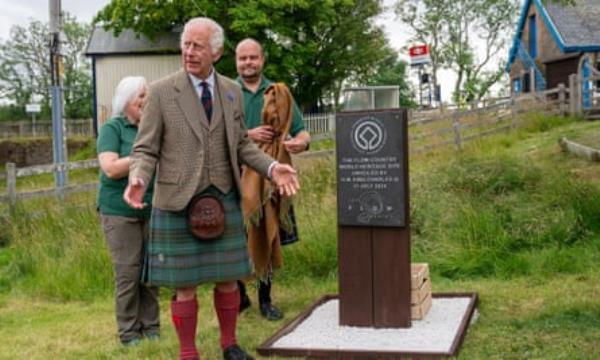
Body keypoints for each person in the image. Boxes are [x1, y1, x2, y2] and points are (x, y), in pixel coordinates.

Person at [123, 17, 300, 360]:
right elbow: (145, 149)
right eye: (186, 44)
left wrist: (273, 166)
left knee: (229, 279)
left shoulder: (231, 91)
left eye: (197, 46)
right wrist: (139, 178)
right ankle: (188, 353)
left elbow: (242, 146)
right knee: (185, 286)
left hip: (223, 195)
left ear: (216, 52)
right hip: (177, 200)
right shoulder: (161, 92)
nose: (189, 52)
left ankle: (229, 345)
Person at [235, 38, 311, 321]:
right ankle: (240, 295)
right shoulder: (227, 93)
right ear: (236, 61)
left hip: (272, 178)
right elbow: (216, 136)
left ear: (262, 60)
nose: (248, 63)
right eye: (243, 58)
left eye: (253, 57)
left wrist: (299, 144)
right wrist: (248, 135)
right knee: (238, 238)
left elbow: (303, 131)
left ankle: (265, 299)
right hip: (237, 178)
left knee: (268, 236)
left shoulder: (279, 92)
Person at [97, 76, 160, 347]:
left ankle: (152, 327)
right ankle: (129, 332)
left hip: (151, 208)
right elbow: (110, 168)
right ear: (126, 102)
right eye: (141, 97)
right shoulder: (113, 128)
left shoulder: (152, 128)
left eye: (148, 96)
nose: (146, 102)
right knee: (128, 273)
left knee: (150, 271)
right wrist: (143, 155)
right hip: (118, 212)